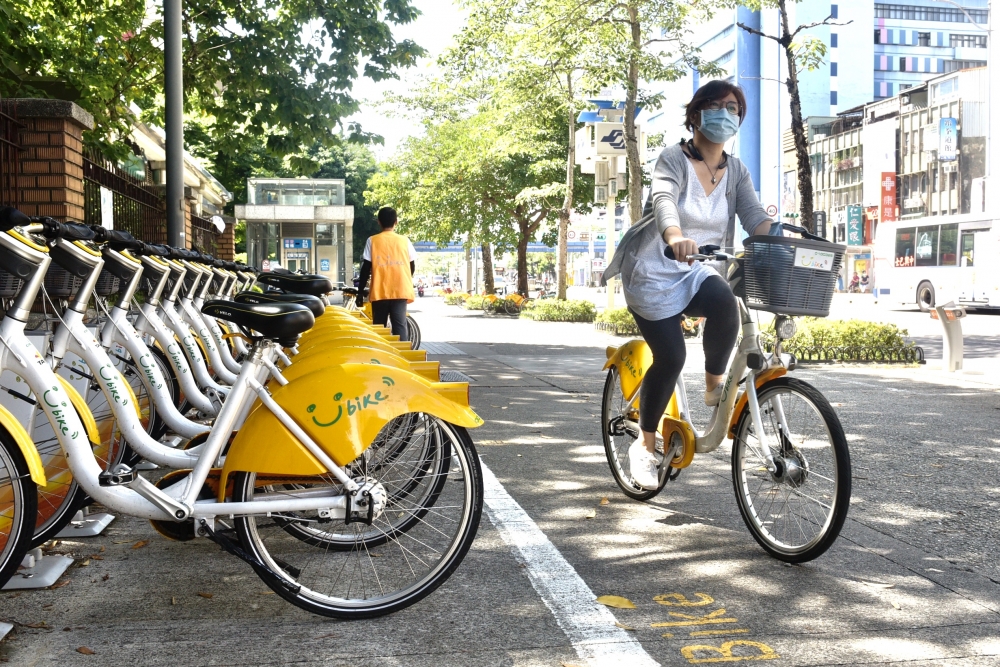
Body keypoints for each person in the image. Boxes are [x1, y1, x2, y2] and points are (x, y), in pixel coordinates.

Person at [601, 80, 774, 490]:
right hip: (654, 268)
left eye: (733, 107)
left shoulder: (736, 172)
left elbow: (754, 218)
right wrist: (674, 235)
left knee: (723, 300)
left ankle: (714, 388)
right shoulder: (672, 159)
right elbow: (664, 199)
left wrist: (784, 239)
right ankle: (643, 447)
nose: (726, 113)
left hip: (696, 268)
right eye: (716, 105)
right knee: (672, 355)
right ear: (696, 115)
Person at [356, 207, 418, 340]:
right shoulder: (405, 241)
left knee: (379, 328)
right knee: (400, 326)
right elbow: (411, 265)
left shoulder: (372, 241)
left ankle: (381, 358)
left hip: (380, 291)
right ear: (396, 222)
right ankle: (403, 357)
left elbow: (366, 268)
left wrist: (360, 291)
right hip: (400, 290)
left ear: (379, 222)